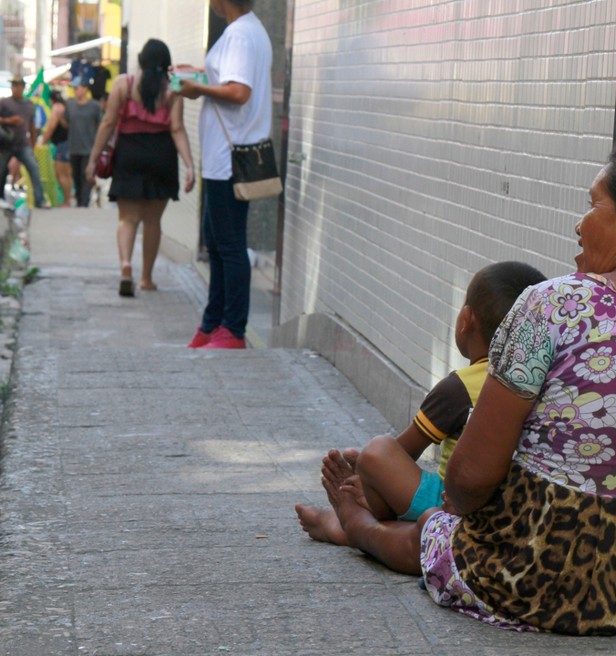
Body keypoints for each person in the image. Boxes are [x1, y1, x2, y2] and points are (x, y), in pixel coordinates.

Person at [327, 133, 616, 635]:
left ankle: (360, 528)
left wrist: (458, 511)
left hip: (542, 572)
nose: (579, 225)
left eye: (592, 207)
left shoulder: (554, 304)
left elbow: (471, 478)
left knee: (436, 531)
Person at [295, 261, 547, 574]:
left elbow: (404, 451)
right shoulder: (550, 381)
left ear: (465, 320)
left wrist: (365, 475)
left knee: (378, 452)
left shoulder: (460, 387)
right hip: (523, 508)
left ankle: (352, 523)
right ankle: (355, 523)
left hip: (452, 500)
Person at [177, 0, 273, 349]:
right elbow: (230, 82)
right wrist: (198, 76)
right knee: (217, 243)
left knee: (228, 246)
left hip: (229, 159)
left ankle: (233, 329)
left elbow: (238, 91)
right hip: (224, 157)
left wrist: (197, 88)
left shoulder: (241, 35)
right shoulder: (246, 31)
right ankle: (213, 322)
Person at [86, 39, 195, 297]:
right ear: (167, 65)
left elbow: (109, 122)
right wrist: (190, 165)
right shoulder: (172, 89)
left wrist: (92, 159)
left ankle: (126, 266)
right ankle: (146, 278)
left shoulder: (124, 84)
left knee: (127, 218)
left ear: (141, 60)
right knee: (153, 221)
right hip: (162, 156)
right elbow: (177, 128)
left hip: (129, 154)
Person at [0, 76, 49, 208]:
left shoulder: (29, 104)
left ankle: (40, 200)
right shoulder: (4, 102)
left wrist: (33, 145)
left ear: (22, 87)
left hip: (23, 144)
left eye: (17, 85)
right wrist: (9, 121)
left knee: (34, 169)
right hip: (6, 144)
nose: (14, 88)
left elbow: (32, 126)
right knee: (1, 171)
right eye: (13, 85)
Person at [65, 77, 102, 208]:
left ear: (85, 89)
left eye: (77, 88)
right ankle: (80, 200)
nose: (75, 91)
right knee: (76, 176)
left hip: (89, 148)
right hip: (74, 147)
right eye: (73, 88)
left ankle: (84, 203)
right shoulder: (70, 104)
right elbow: (66, 122)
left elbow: (100, 125)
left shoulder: (95, 106)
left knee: (86, 175)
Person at [38, 89, 73, 207]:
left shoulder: (57, 108)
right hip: (66, 143)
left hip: (63, 144)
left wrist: (42, 142)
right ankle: (67, 200)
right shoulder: (64, 106)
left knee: (62, 174)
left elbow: (51, 127)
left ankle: (67, 201)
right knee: (65, 174)